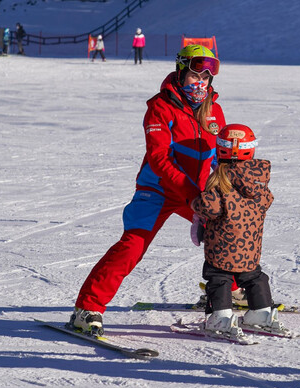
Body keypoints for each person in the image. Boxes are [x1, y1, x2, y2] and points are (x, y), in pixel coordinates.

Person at [69, 45, 224, 334]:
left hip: (196, 191)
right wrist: (192, 196)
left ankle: (226, 291)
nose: (200, 82)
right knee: (133, 245)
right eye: (194, 74)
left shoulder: (213, 110)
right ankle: (87, 308)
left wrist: (222, 190)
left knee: (226, 229)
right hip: (159, 189)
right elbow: (159, 158)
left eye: (206, 76)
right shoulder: (160, 107)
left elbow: (218, 156)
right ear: (181, 72)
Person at [191, 123, 288, 337]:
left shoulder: (222, 180)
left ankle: (222, 317)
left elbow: (210, 208)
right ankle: (262, 312)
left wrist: (195, 204)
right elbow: (267, 200)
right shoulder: (258, 180)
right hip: (250, 245)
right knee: (254, 276)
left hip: (222, 245)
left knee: (219, 277)